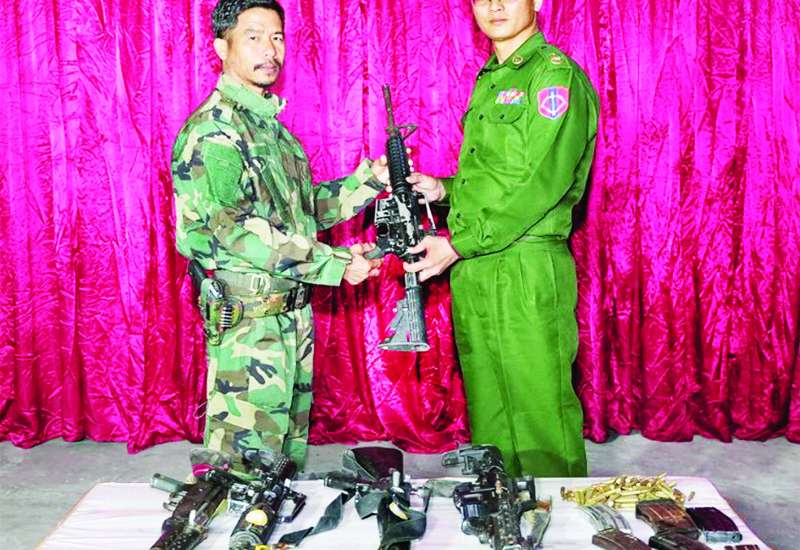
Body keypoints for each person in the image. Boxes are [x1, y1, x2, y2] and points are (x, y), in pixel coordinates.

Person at [171, 0, 389, 470]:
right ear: (221, 47)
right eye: (253, 37)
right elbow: (234, 230)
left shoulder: (273, 133)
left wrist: (369, 181)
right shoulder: (215, 132)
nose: (269, 50)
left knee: (282, 469)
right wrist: (334, 263)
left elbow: (299, 214)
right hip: (250, 327)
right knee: (244, 472)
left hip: (291, 318)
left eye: (277, 37)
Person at [404, 0, 599, 477]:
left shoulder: (552, 77)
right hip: (476, 263)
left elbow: (541, 184)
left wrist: (457, 244)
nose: (494, 6)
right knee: (489, 409)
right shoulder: (491, 78)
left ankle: (554, 514)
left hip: (524, 263)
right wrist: (443, 190)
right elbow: (496, 178)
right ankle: (500, 509)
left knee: (538, 411)